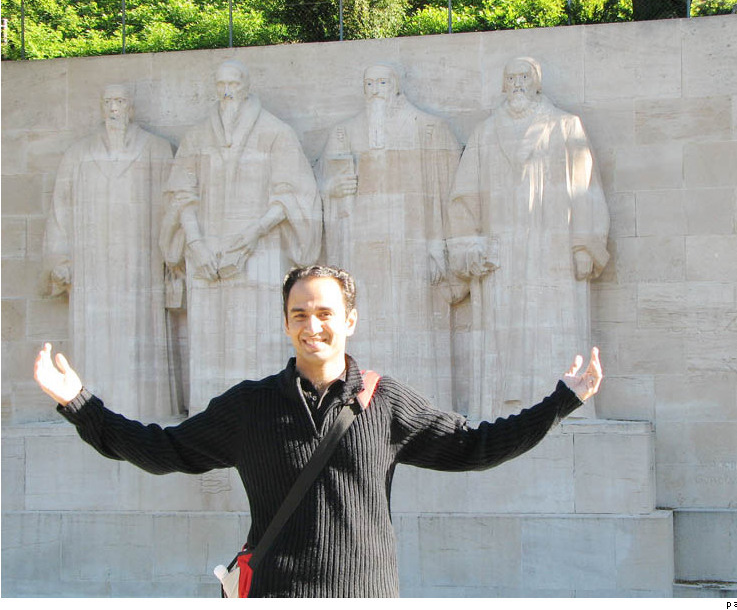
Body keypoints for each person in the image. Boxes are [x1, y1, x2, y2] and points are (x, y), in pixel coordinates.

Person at [34, 264, 603, 598]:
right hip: (274, 594)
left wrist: (562, 401)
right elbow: (163, 450)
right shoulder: (250, 407)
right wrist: (79, 404)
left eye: (326, 312)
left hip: (365, 595)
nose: (314, 325)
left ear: (349, 320)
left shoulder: (386, 402)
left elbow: (475, 446)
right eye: (300, 314)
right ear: (286, 323)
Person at [448, 56, 610, 420]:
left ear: (536, 83)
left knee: (552, 324)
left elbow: (585, 188)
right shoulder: (486, 132)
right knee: (502, 332)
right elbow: (464, 197)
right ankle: (501, 412)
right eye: (511, 78)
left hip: (552, 248)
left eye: (524, 77)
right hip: (501, 250)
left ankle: (565, 406)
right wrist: (469, 246)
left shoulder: (565, 126)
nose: (517, 84)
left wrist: (584, 245)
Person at [160, 59, 321, 414]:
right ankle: (207, 419)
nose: (227, 92)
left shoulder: (275, 132)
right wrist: (196, 244)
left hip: (262, 251)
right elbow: (181, 194)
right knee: (209, 337)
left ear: (246, 87)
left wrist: (251, 235)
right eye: (221, 85)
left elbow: (291, 195)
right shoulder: (197, 136)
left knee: (258, 335)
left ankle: (267, 417)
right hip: (206, 253)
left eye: (233, 84)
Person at [317, 64, 461, 409]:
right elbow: (320, 186)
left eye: (382, 82)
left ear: (395, 86)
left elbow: (451, 191)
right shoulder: (344, 133)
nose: (375, 89)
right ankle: (359, 402)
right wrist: (333, 187)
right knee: (362, 320)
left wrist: (440, 244)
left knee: (415, 323)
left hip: (413, 245)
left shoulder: (428, 129)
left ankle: (420, 405)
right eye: (369, 83)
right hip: (359, 250)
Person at [42, 84, 178, 419]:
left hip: (141, 265)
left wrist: (175, 262)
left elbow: (174, 207)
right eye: (108, 102)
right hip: (92, 266)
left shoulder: (156, 150)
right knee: (96, 340)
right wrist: (60, 258)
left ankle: (144, 412)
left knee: (138, 338)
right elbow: (61, 209)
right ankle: (91, 415)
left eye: (119, 102)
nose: (113, 109)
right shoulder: (79, 154)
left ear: (131, 108)